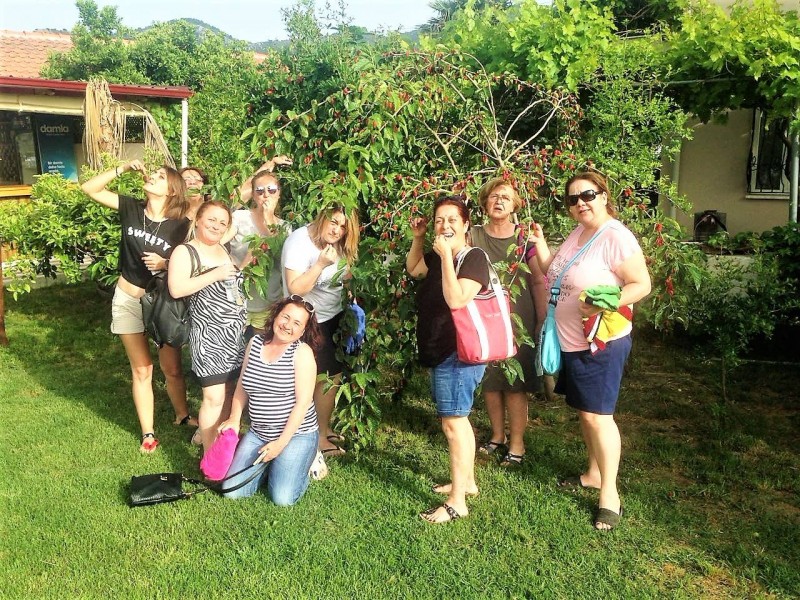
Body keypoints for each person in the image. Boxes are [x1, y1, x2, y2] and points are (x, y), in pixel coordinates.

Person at [528, 171, 651, 531]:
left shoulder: (615, 237)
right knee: (586, 412)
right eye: (573, 199)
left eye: (587, 195)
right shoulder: (578, 233)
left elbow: (641, 284)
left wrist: (603, 304)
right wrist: (540, 243)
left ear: (603, 195)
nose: (580, 203)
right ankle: (594, 474)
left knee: (599, 416)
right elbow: (554, 271)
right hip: (571, 341)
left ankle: (609, 495)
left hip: (600, 342)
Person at [80, 160, 195, 453]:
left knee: (172, 367)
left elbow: (194, 260)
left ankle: (182, 415)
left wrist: (166, 263)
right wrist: (123, 169)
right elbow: (89, 188)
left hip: (162, 302)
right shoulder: (131, 207)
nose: (152, 177)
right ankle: (148, 433)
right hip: (128, 297)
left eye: (160, 176)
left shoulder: (181, 224)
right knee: (142, 369)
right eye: (153, 173)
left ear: (172, 190)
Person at [406, 196, 490, 524]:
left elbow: (456, 299)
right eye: (439, 220)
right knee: (457, 420)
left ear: (466, 224)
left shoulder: (473, 258)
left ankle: (457, 502)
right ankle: (466, 483)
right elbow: (414, 269)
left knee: (453, 424)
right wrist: (418, 238)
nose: (445, 226)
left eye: (452, 219)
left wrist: (444, 258)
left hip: (458, 353)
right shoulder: (438, 255)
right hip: (442, 351)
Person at [471, 178, 548, 467]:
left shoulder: (525, 238)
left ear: (515, 204)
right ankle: (497, 435)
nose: (499, 201)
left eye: (505, 197)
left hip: (519, 319)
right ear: (484, 203)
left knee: (516, 383)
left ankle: (517, 443)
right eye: (493, 196)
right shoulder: (474, 235)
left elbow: (538, 279)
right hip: (485, 319)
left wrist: (542, 318)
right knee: (490, 380)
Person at [219, 295, 321, 505]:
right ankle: (274, 466)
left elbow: (302, 404)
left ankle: (307, 461)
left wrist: (280, 444)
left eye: (297, 323)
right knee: (231, 490)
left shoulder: (302, 353)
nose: (287, 326)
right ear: (276, 315)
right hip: (259, 433)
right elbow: (242, 385)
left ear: (303, 331)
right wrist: (234, 418)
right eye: (285, 317)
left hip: (296, 435)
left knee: (282, 498)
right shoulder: (255, 343)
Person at [281, 203, 360, 457]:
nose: (337, 230)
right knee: (317, 378)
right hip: (308, 321)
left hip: (332, 317)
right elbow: (295, 289)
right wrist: (319, 265)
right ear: (321, 216)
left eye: (343, 227)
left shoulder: (339, 243)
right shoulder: (299, 242)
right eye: (333, 222)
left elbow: (345, 276)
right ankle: (316, 437)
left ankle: (320, 429)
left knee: (331, 376)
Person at [168, 201, 247, 452]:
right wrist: (215, 274)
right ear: (198, 220)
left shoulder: (223, 249)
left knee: (229, 392)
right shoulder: (186, 251)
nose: (217, 226)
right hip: (208, 337)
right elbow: (177, 288)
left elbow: (229, 285)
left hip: (234, 337)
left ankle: (222, 447)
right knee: (213, 398)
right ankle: (210, 457)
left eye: (223, 223)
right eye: (211, 219)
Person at [228, 170, 292, 339]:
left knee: (260, 349)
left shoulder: (285, 227)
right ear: (253, 195)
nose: (266, 195)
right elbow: (217, 243)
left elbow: (280, 257)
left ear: (279, 193)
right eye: (260, 190)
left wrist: (269, 218)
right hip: (237, 300)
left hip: (267, 303)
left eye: (271, 190)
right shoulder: (240, 217)